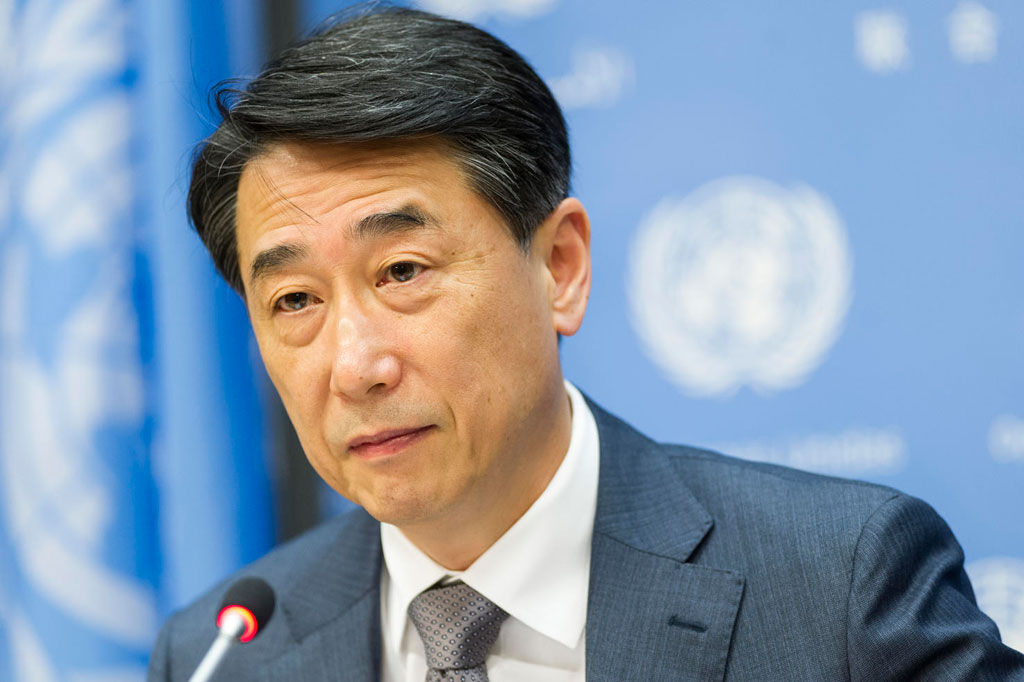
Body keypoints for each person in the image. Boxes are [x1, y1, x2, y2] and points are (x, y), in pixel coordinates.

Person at [148, 7, 1024, 681]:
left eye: (403, 271)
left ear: (559, 267)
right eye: (295, 299)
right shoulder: (222, 654)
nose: (355, 366)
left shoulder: (840, 590)